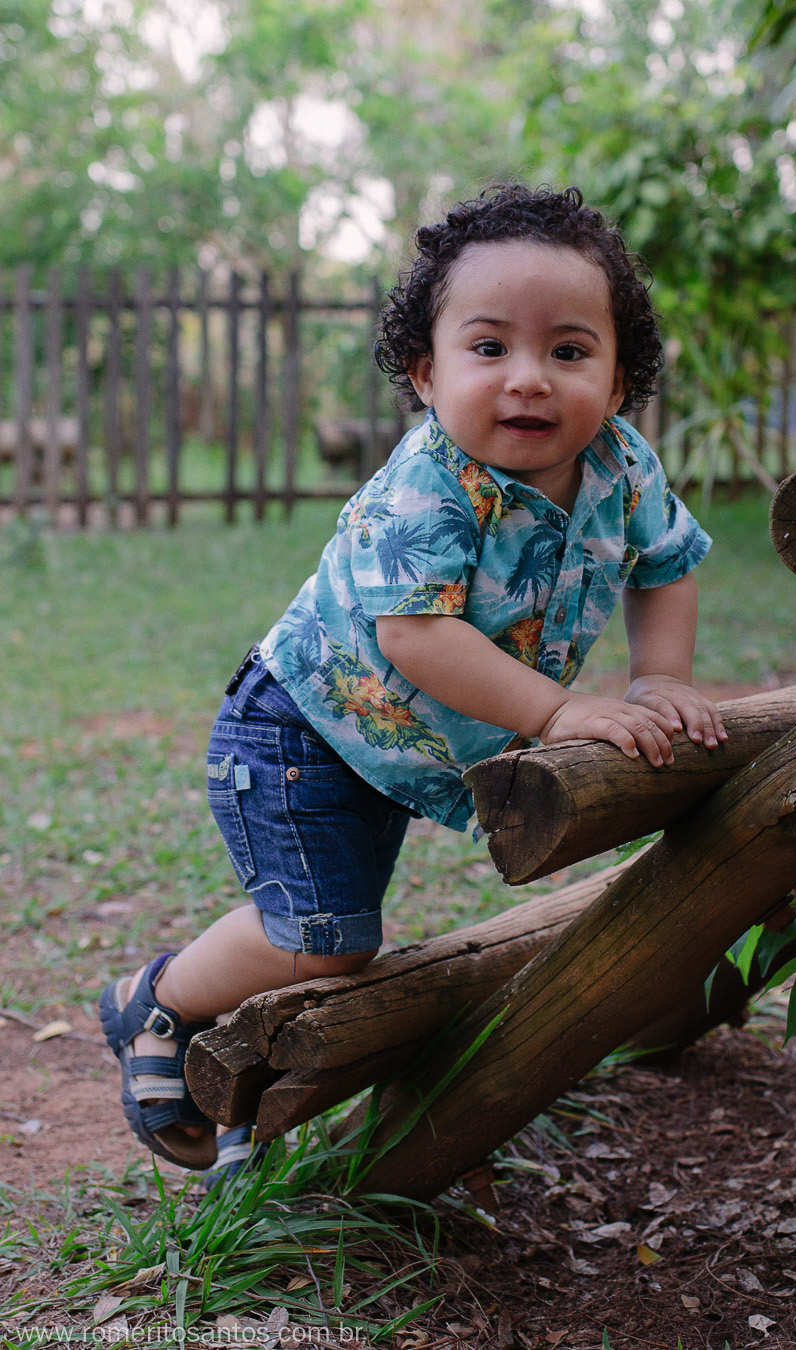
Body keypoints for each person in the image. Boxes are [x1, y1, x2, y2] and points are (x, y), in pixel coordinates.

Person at [99, 182, 728, 1177]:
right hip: (301, 728)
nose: (529, 378)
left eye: (568, 350)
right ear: (425, 373)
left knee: (330, 932)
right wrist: (563, 709)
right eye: (490, 348)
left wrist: (660, 677)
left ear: (618, 381)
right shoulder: (428, 487)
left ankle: (243, 1097)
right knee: (323, 941)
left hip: (393, 750)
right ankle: (160, 998)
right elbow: (419, 639)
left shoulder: (624, 466)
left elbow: (670, 563)